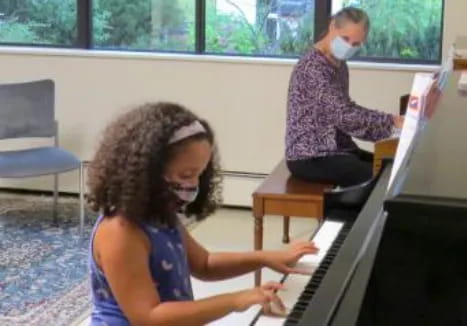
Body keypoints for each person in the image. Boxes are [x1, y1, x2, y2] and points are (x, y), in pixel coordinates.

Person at [87, 102, 318, 325]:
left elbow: (205, 264)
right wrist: (236, 300)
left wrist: (266, 257)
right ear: (145, 172)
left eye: (200, 173)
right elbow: (150, 317)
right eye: (186, 174)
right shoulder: (120, 232)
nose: (195, 183)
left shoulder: (159, 212)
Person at [285, 7, 404, 187]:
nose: (349, 47)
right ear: (333, 26)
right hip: (310, 155)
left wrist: (392, 124)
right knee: (381, 180)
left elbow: (346, 108)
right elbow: (344, 116)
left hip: (336, 149)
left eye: (356, 44)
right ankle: (347, 214)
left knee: (390, 167)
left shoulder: (338, 64)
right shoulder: (313, 68)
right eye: (346, 39)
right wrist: (391, 123)